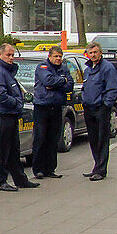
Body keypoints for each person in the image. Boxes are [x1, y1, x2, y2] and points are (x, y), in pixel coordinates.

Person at [0, 43, 38, 192]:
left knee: (14, 149)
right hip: (2, 114)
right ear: (0, 54)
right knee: (2, 150)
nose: (11, 58)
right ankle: (0, 181)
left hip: (9, 114)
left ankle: (20, 179)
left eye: (12, 55)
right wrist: (16, 103)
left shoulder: (6, 71)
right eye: (8, 55)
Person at [31, 45, 74, 179]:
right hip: (42, 107)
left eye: (60, 57)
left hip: (56, 107)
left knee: (53, 139)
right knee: (40, 138)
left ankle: (50, 169)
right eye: (56, 56)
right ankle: (38, 169)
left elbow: (70, 85)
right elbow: (47, 80)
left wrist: (59, 83)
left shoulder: (64, 68)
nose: (58, 59)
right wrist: (62, 81)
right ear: (49, 57)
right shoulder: (43, 67)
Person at [81, 42, 117, 181]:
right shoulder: (88, 69)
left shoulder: (107, 68)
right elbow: (86, 87)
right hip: (89, 107)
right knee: (92, 139)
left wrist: (106, 105)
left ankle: (101, 170)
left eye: (95, 52)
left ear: (100, 53)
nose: (93, 55)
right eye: (90, 53)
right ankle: (96, 166)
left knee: (102, 139)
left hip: (101, 108)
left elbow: (113, 89)